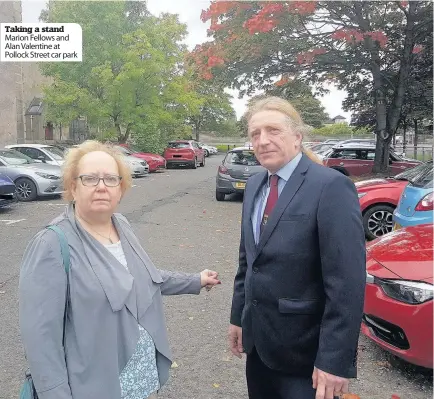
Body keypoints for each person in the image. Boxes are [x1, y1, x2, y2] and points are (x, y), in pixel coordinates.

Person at [19, 140, 221, 399]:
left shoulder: (121, 224)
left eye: (110, 179)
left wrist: (196, 280)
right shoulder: (50, 244)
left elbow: (143, 277)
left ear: (121, 187)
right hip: (93, 386)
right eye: (90, 178)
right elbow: (41, 342)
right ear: (73, 186)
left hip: (137, 379)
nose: (101, 186)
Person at [228, 97, 366, 399]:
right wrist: (238, 317)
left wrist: (334, 360)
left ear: (297, 136)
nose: (262, 141)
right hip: (259, 347)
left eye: (273, 130)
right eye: (255, 133)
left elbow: (347, 282)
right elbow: (248, 261)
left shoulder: (330, 187)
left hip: (306, 357)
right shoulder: (255, 185)